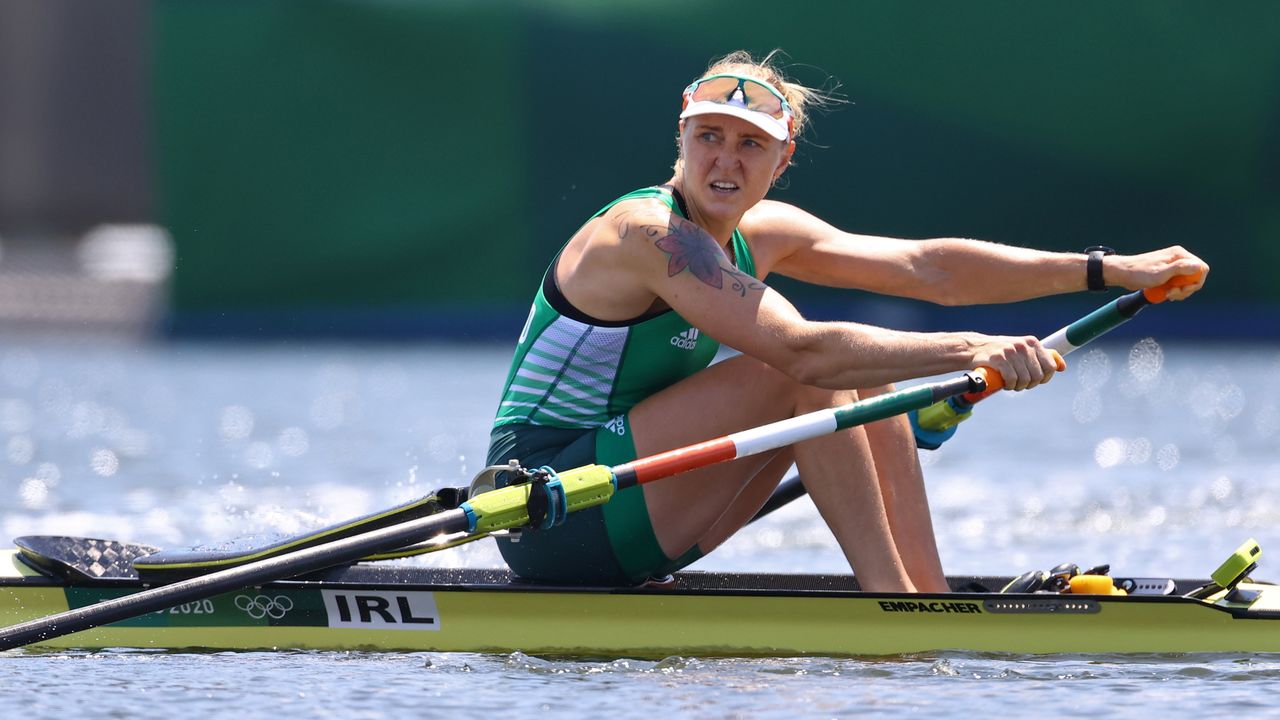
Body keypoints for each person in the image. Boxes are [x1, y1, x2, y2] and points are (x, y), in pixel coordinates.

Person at [486, 50, 1209, 592]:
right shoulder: (648, 234)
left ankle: (927, 598)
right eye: (709, 136)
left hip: (633, 498)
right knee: (803, 369)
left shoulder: (762, 233)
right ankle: (893, 610)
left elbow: (930, 269)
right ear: (680, 139)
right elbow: (802, 353)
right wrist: (973, 350)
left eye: (750, 144)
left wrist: (1110, 270)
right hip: (548, 509)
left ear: (782, 158)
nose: (724, 160)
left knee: (865, 379)